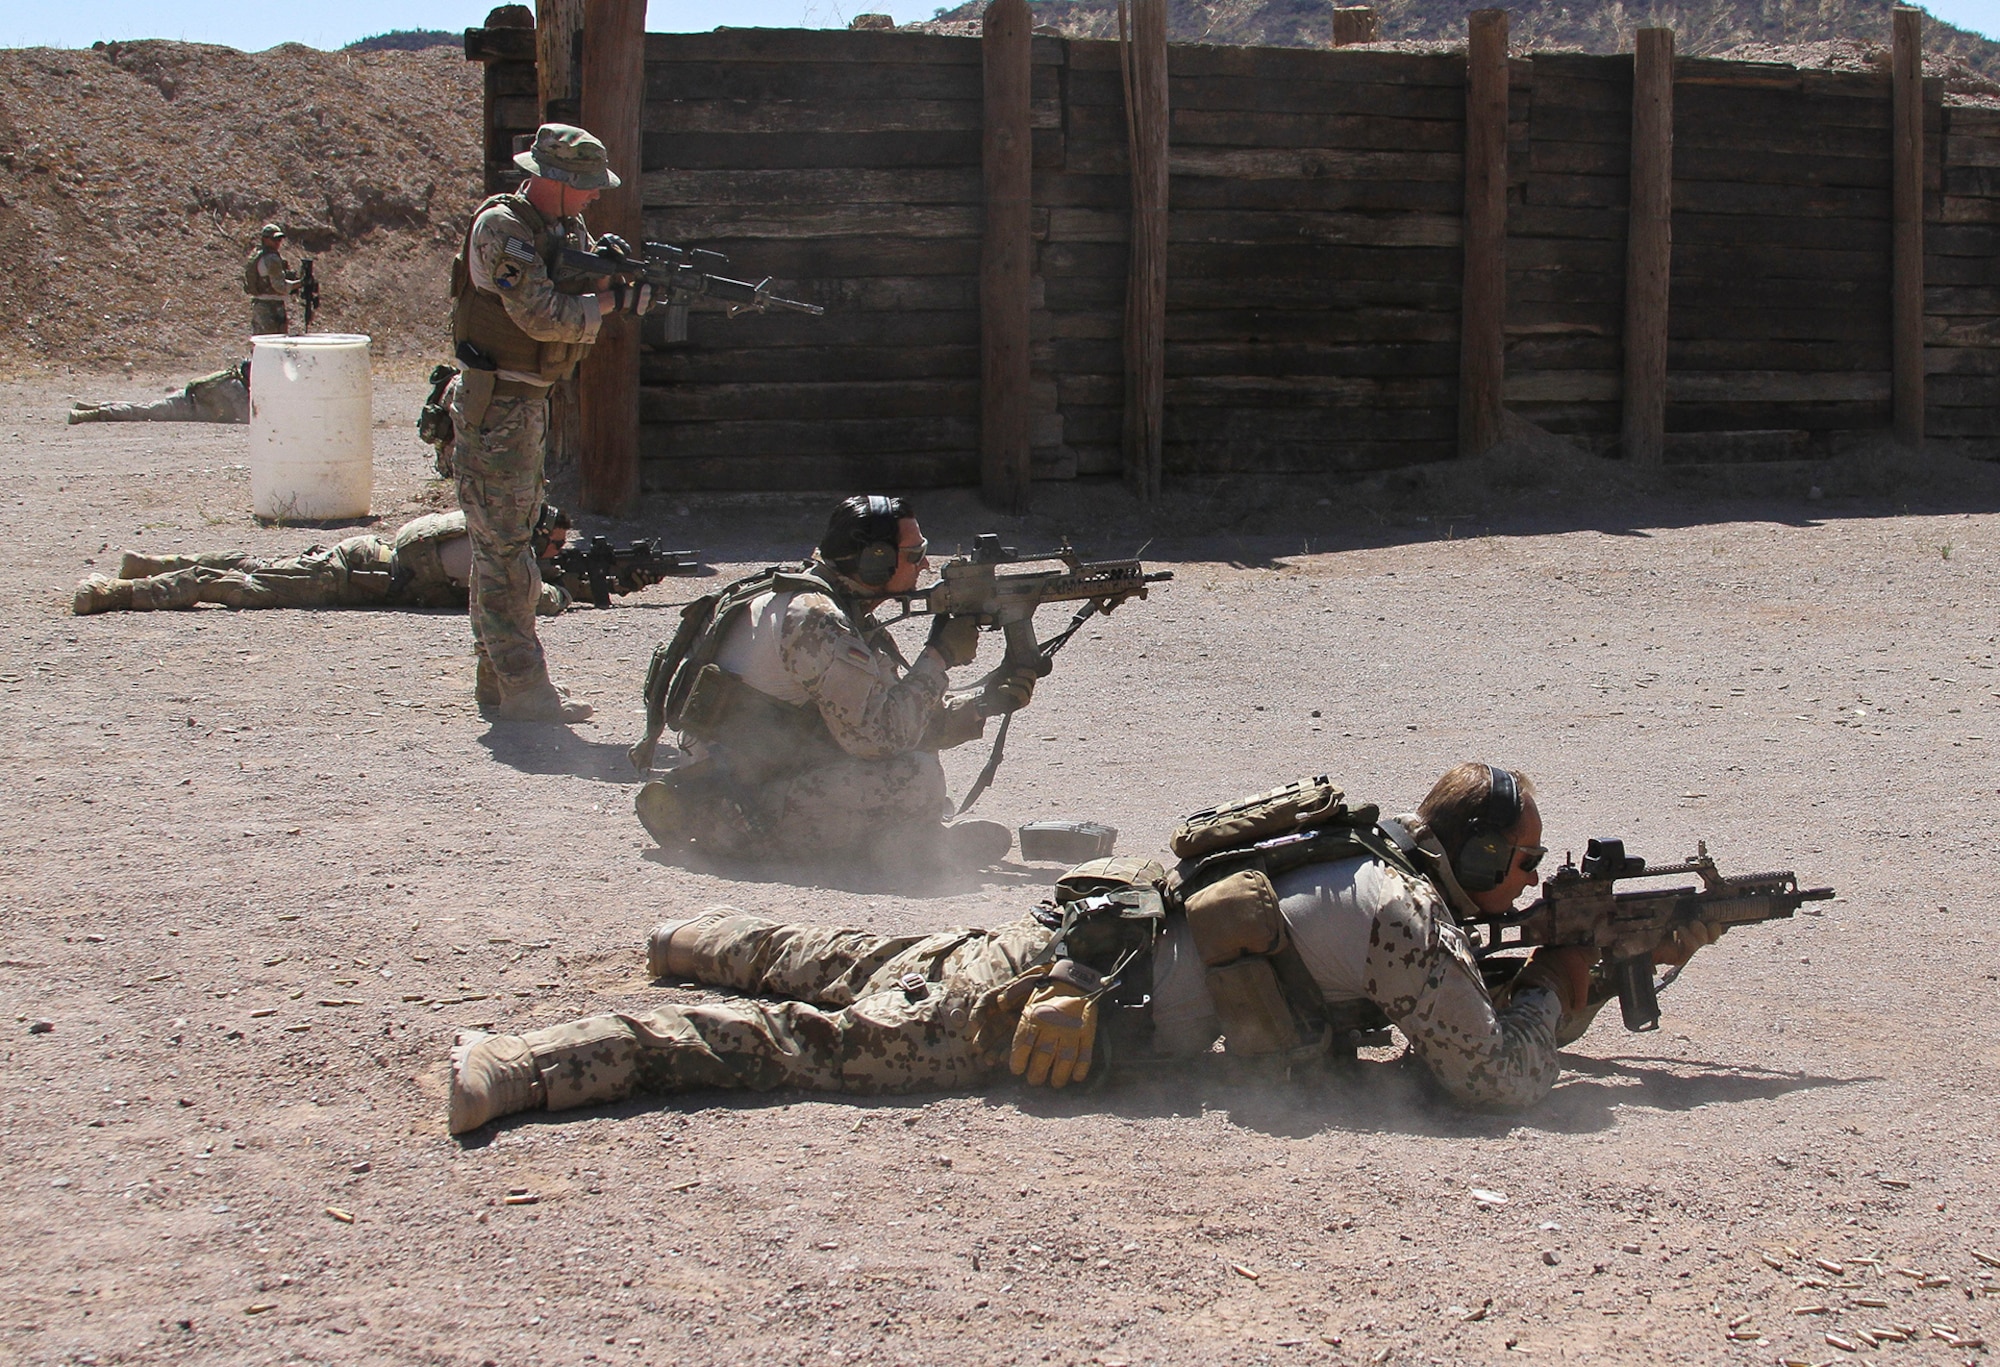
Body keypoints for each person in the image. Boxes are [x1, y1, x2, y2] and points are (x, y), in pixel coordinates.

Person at [447, 763, 1724, 1134]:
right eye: (1518, 860)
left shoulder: (1364, 849)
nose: (1526, 879)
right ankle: (534, 1060)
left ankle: (699, 934)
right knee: (819, 1043)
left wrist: (1537, 967)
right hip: (1056, 999)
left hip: (1063, 936)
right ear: (1475, 854)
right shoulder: (1407, 916)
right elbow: (1489, 1077)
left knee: (874, 954)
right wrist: (1562, 990)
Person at [630, 494, 1032, 871]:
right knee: (916, 777)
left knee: (912, 770)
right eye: (915, 555)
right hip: (738, 812)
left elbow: (882, 712)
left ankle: (905, 842)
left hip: (752, 783)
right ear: (876, 562)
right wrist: (938, 657)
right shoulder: (816, 620)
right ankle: (908, 849)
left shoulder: (822, 604)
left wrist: (982, 706)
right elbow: (878, 738)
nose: (925, 566)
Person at [446, 122, 653, 725]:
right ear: (553, 181)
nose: (594, 196)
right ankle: (527, 692)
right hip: (498, 406)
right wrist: (614, 302)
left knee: (502, 547)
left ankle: (500, 685)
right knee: (508, 553)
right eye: (586, 186)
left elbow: (571, 283)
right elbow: (540, 316)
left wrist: (614, 274)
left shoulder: (563, 229)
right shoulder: (503, 230)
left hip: (525, 405)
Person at [71, 506, 572, 651]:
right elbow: (520, 595)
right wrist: (561, 592)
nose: (554, 553)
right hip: (350, 576)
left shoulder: (479, 520)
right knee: (236, 588)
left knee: (252, 567)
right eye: (554, 545)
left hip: (360, 559)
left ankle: (148, 563)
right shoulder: (492, 549)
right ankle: (117, 593)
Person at [68, 361, 250, 425]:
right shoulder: (235, 386)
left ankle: (98, 406)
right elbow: (247, 416)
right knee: (143, 412)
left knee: (144, 407)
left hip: (185, 400)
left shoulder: (231, 377)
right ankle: (93, 414)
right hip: (185, 407)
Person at [245, 225, 301, 336]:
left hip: (260, 305)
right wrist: (300, 284)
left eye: (279, 240)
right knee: (275, 345)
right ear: (265, 239)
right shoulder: (272, 259)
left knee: (262, 344)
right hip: (272, 307)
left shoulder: (257, 254)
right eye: (274, 239)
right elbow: (280, 287)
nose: (278, 243)